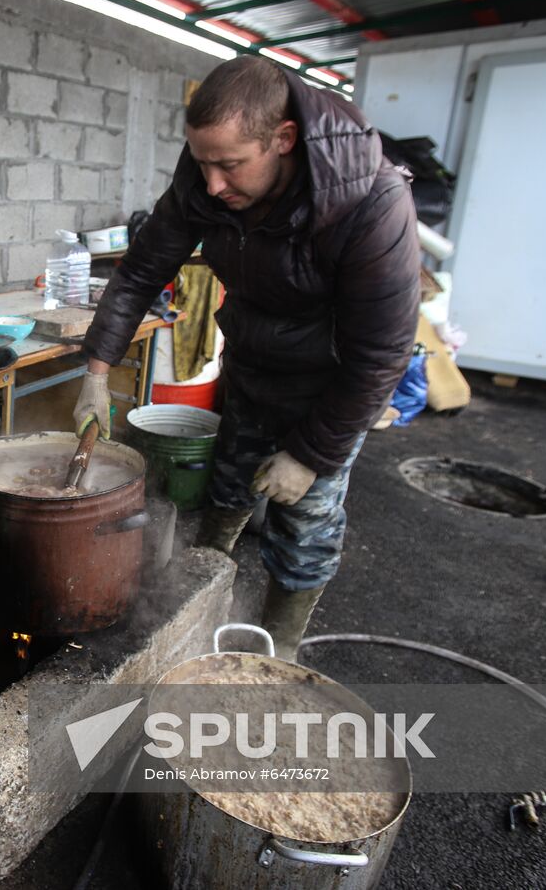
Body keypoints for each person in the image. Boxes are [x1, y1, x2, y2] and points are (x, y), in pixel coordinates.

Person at [74, 56, 420, 661]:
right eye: (202, 162)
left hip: (329, 391)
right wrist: (96, 374)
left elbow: (381, 355)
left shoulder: (372, 203)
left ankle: (277, 650)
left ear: (282, 139)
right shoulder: (205, 174)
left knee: (303, 524)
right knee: (227, 490)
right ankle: (192, 609)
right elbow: (138, 275)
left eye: (230, 165)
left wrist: (312, 455)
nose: (211, 184)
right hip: (252, 371)